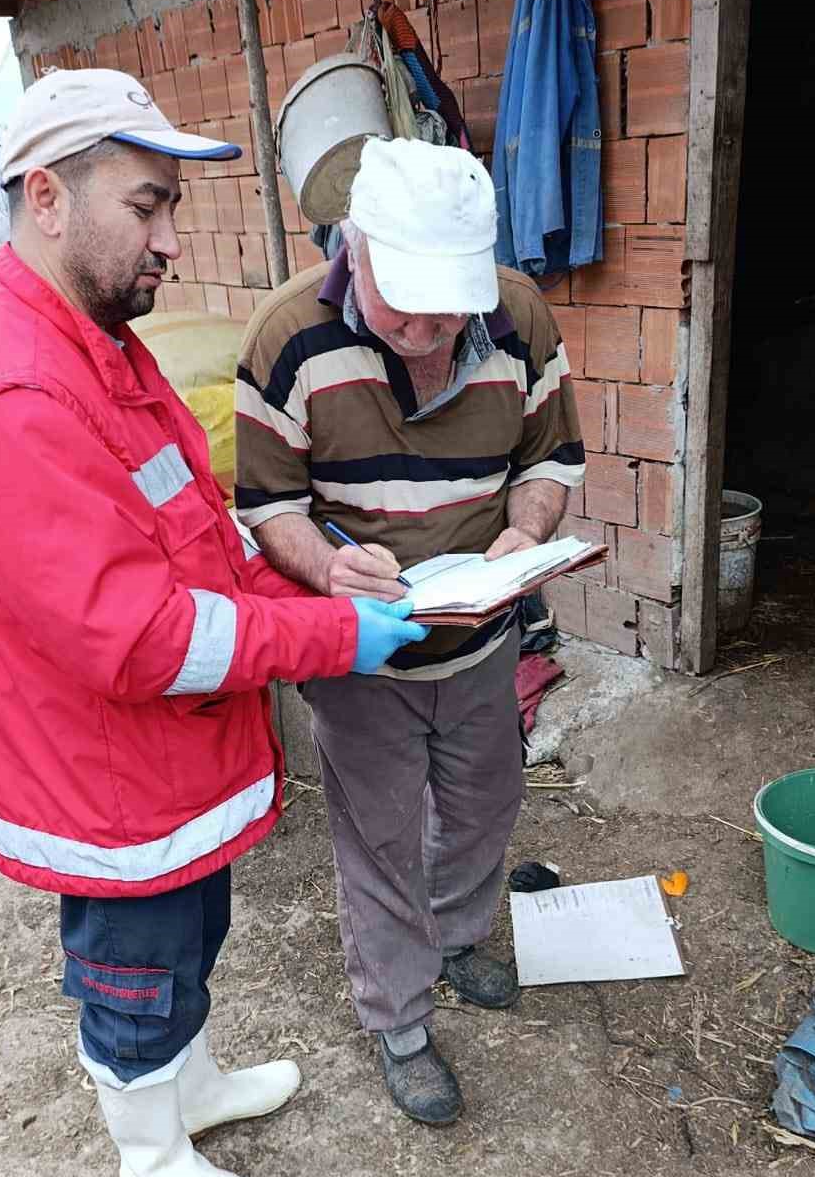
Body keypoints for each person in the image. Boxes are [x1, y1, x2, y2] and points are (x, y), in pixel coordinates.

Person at [0, 69, 426, 1177]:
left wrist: (306, 572)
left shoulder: (95, 347)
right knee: (135, 968)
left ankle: (185, 1089)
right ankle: (150, 1151)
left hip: (155, 755)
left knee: (189, 932)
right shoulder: (16, 389)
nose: (170, 243)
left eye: (170, 212)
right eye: (147, 207)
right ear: (48, 196)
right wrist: (329, 635)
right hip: (101, 770)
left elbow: (188, 533)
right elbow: (142, 633)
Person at [235, 137, 585, 1126]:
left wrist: (521, 538)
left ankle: (461, 933)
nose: (431, 335)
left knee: (483, 801)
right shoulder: (284, 336)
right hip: (364, 651)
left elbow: (551, 457)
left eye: (450, 310)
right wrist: (324, 565)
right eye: (406, 311)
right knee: (379, 836)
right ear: (359, 248)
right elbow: (266, 506)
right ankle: (397, 1020)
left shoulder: (515, 315)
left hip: (480, 634)